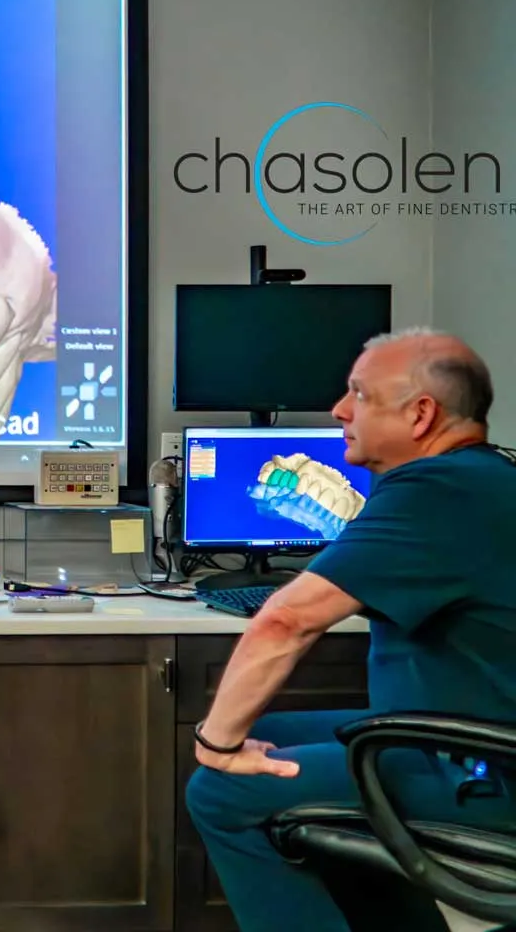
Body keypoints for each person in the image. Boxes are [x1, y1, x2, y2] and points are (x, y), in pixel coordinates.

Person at [186, 328, 516, 932]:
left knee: (220, 790)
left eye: (358, 394)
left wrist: (216, 743)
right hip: (467, 742)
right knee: (266, 733)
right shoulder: (482, 476)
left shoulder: (437, 490)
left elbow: (286, 621)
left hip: (481, 771)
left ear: (421, 415)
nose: (339, 410)